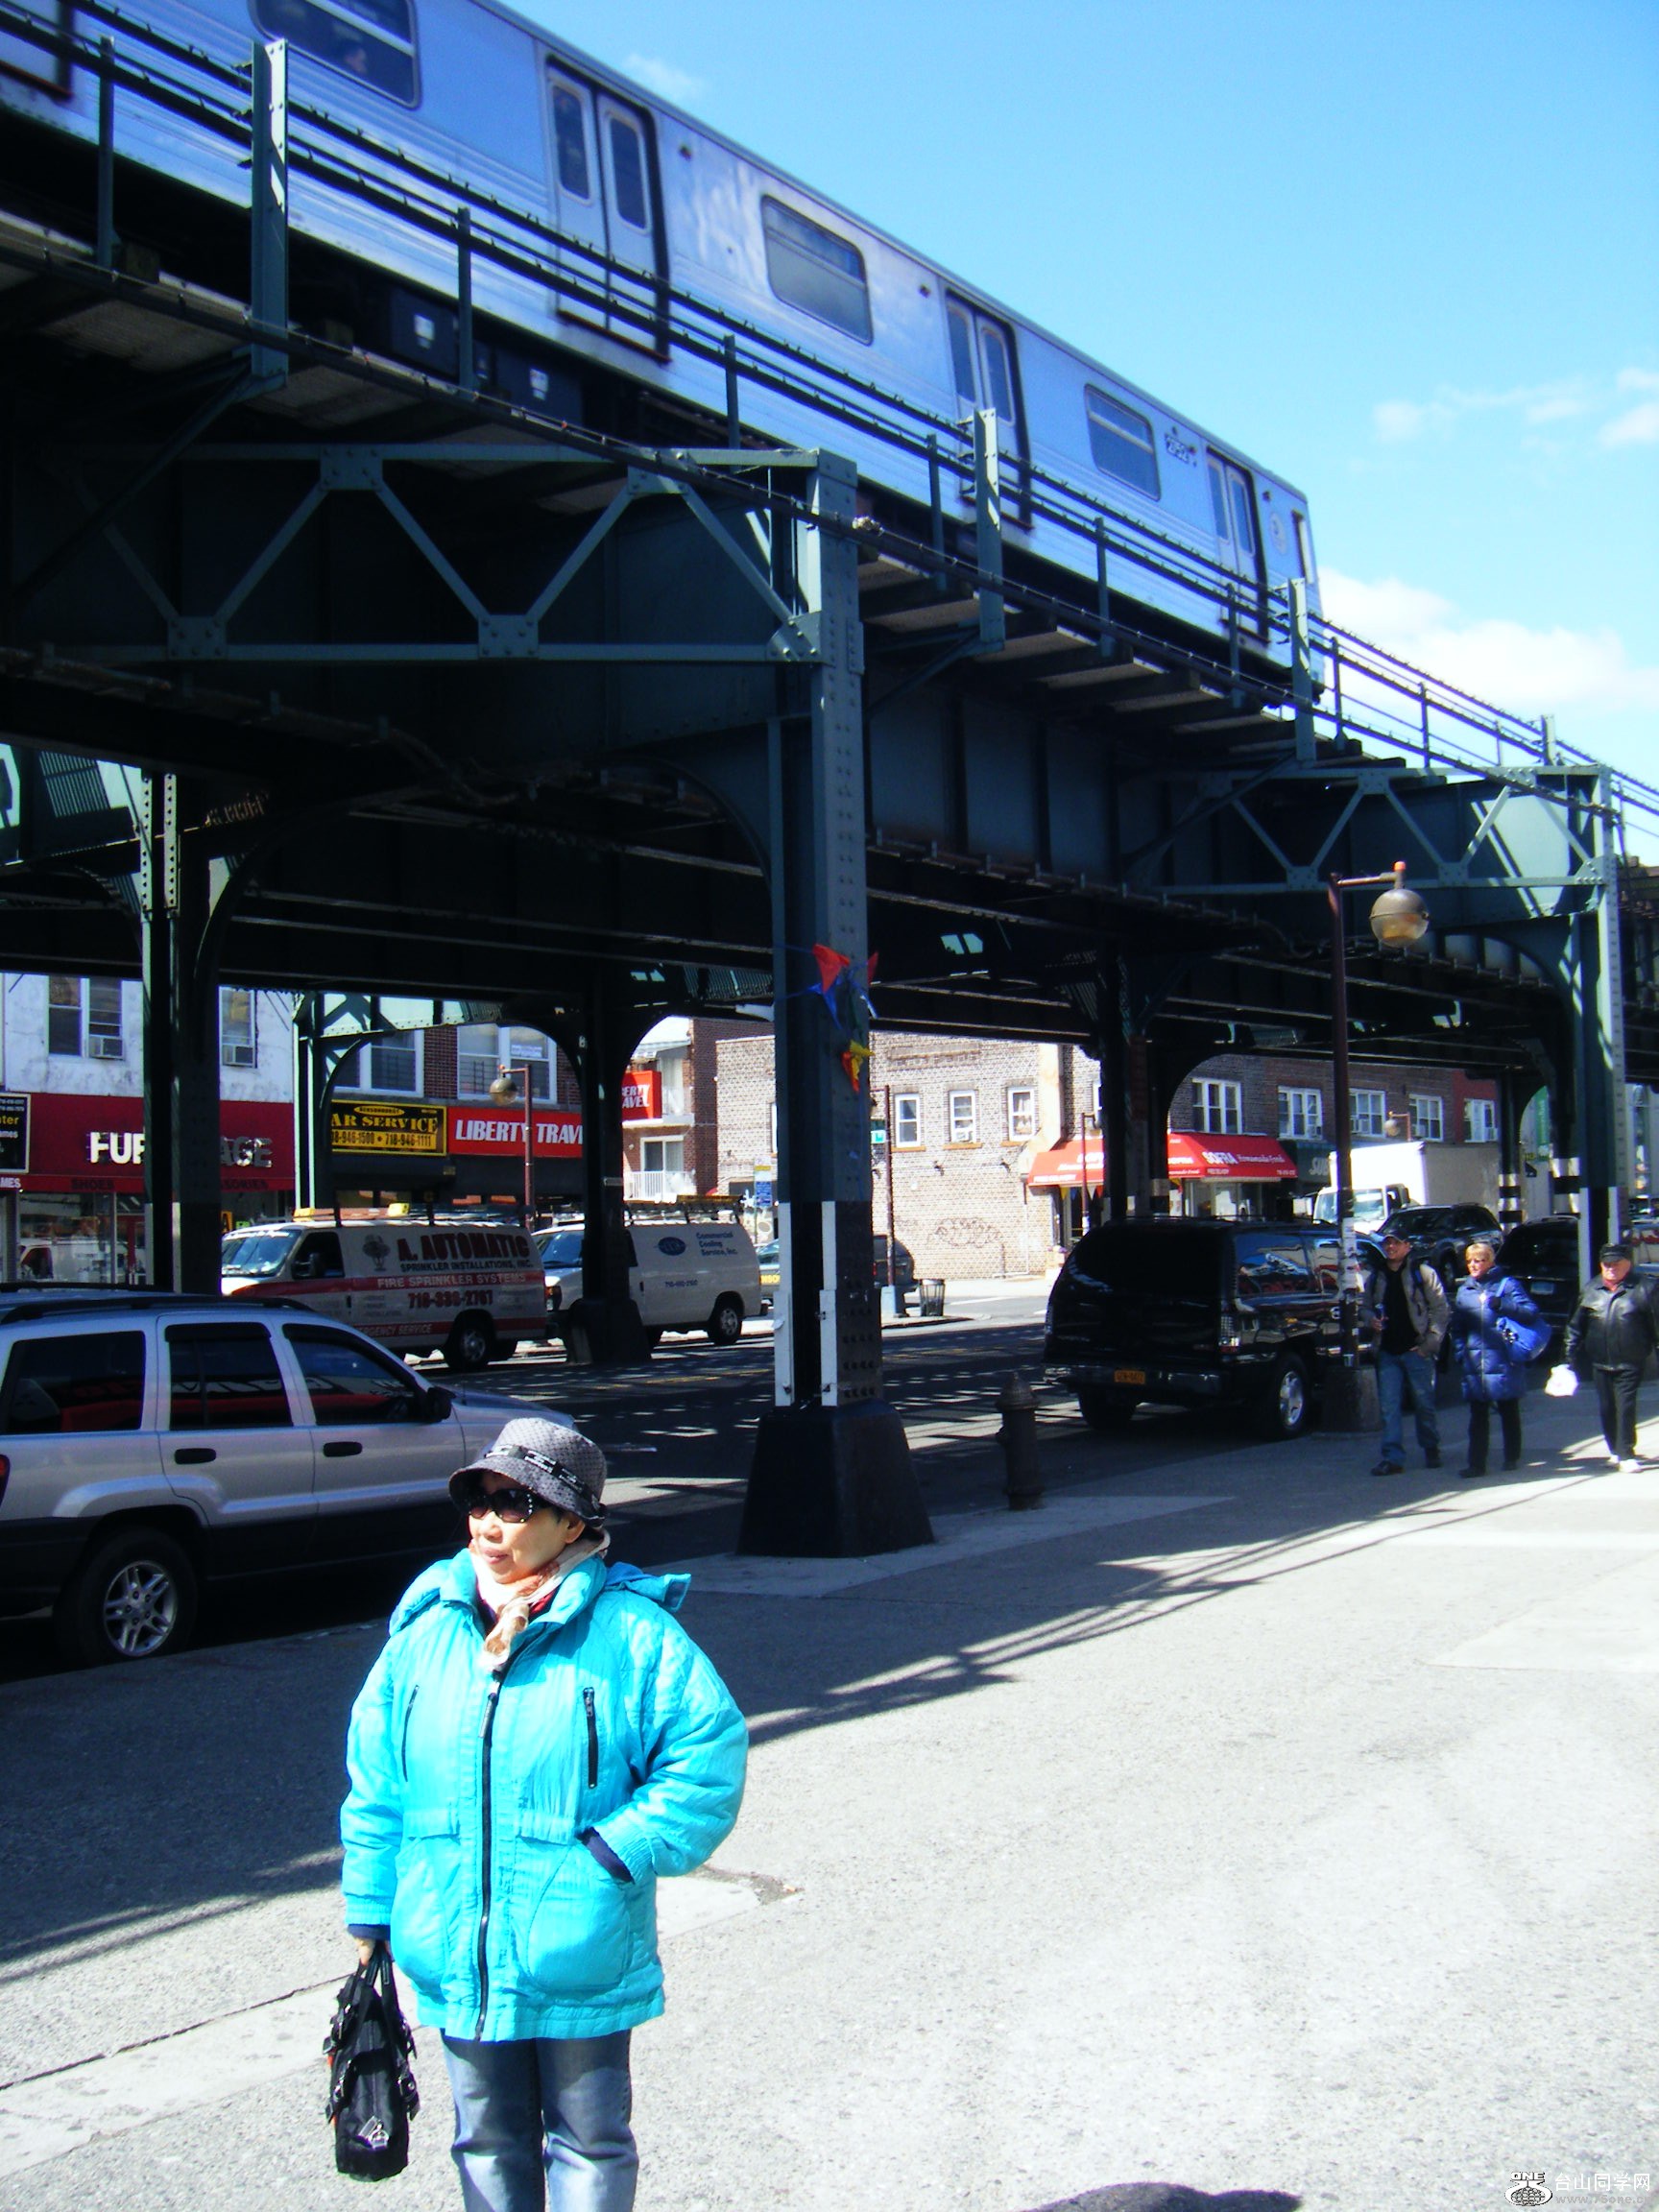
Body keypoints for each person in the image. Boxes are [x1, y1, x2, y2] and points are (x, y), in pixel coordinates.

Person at [341, 1417, 748, 2212]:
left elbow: (707, 1762)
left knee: (589, 2142)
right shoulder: (425, 1632)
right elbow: (377, 1784)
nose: (489, 1525)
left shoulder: (633, 1633)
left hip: (577, 1940)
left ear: (573, 1524)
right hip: (452, 1939)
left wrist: (612, 1854)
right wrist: (370, 1907)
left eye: (517, 1505)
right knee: (484, 2139)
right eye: (480, 1502)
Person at [1449, 1239, 1544, 1478]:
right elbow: (1458, 1327)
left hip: (1502, 1358)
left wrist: (1504, 1305)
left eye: (1479, 1260)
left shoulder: (1507, 1285)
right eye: (1470, 1261)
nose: (1473, 1265)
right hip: (1475, 1361)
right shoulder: (1465, 1291)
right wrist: (1460, 1352)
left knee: (1508, 1409)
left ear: (1490, 1262)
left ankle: (1512, 1456)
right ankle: (1476, 1464)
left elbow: (1531, 1312)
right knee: (1477, 1415)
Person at [1360, 1228, 1448, 1477]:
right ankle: (1393, 1458)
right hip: (1388, 1350)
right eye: (1387, 1243)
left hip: (1416, 1349)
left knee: (1424, 1404)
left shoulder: (1423, 1273)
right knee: (1389, 1408)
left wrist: (1429, 1344)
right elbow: (1364, 1307)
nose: (1390, 1247)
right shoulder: (1376, 1276)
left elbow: (1440, 1310)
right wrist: (1371, 1320)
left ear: (1407, 1246)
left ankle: (1431, 1446)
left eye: (1396, 1243)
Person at [1564, 1242, 1658, 1471]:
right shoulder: (1591, 1289)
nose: (1611, 1268)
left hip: (1631, 1359)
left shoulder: (1645, 1288)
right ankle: (1615, 1450)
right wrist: (1567, 1359)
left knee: (1625, 1406)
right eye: (1607, 1264)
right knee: (1607, 1407)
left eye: (1616, 1264)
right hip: (1600, 1361)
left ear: (1628, 1264)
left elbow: (1656, 1325)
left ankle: (1626, 1453)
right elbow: (1575, 1327)